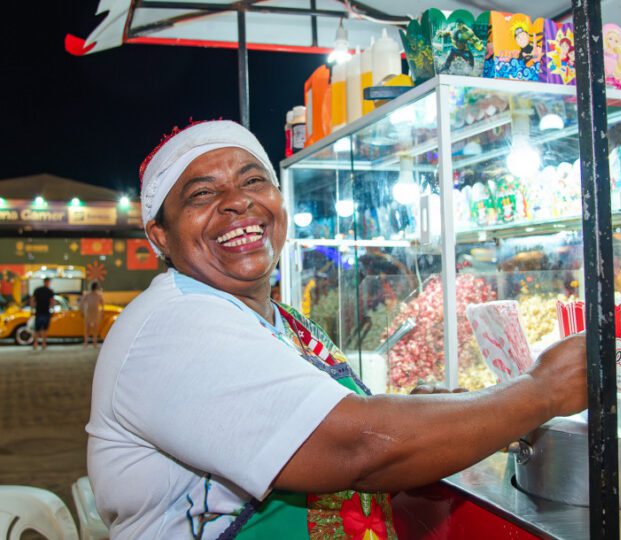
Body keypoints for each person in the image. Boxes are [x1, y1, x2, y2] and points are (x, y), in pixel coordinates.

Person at [86, 120, 588, 539]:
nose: (238, 202)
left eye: (254, 181)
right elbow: (357, 447)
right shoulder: (172, 325)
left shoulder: (283, 322)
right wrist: (541, 391)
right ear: (160, 235)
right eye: (202, 193)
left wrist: (427, 413)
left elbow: (351, 427)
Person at [31, 277, 54, 350]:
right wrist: (52, 309)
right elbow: (52, 302)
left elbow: (32, 300)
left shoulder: (37, 290)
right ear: (48, 282)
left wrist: (32, 309)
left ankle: (35, 343)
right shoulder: (50, 291)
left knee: (37, 329)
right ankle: (43, 343)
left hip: (38, 311)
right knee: (45, 329)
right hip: (45, 312)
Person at [80, 281, 105, 348]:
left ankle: (90, 343)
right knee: (91, 329)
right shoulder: (89, 294)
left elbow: (102, 304)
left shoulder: (95, 294)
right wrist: (82, 311)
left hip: (92, 312)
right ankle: (90, 343)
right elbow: (102, 304)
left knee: (91, 329)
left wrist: (82, 310)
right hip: (91, 312)